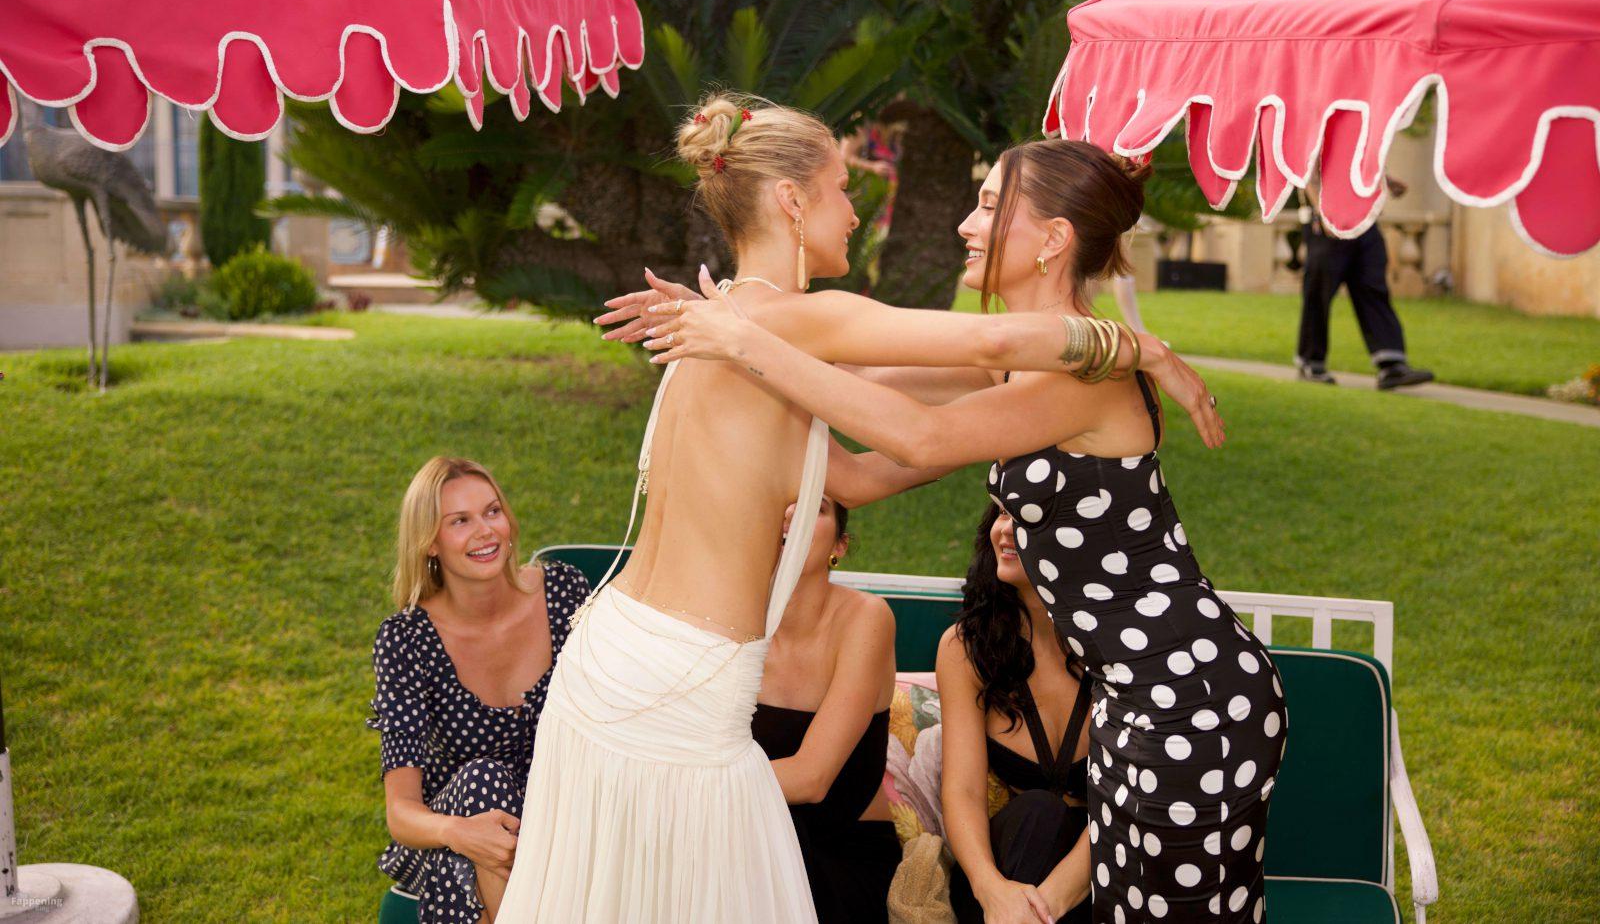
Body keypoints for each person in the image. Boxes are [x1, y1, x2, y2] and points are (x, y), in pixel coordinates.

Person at [503, 95, 1211, 924]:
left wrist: (983, 428)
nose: (856, 209)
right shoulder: (776, 324)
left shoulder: (729, 329)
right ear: (792, 201)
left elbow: (859, 471)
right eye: (843, 188)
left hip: (612, 655)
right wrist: (1140, 345)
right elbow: (986, 345)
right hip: (684, 681)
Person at [639, 135, 1286, 922]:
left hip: (1190, 693)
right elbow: (851, 412)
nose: (965, 225)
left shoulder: (1089, 373)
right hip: (1138, 693)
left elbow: (921, 437)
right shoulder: (1016, 367)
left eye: (988, 205)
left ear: (1053, 238)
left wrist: (745, 339)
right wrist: (728, 322)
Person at [366, 457, 591, 924]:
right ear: (430, 541)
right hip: (456, 829)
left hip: (561, 813)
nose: (485, 531)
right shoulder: (407, 640)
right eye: (460, 521)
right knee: (482, 785)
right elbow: (401, 813)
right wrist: (460, 832)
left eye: (492, 511)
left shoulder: (563, 593)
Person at [941, 502, 1092, 924]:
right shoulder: (967, 648)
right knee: (1039, 812)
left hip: (1099, 867)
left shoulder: (1121, 649)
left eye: (1027, 516)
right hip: (1003, 873)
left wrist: (1048, 902)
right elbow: (963, 792)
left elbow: (1128, 802)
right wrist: (992, 890)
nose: (1005, 530)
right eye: (1002, 514)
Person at [752, 496, 900, 924]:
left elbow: (811, 779)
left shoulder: (866, 618)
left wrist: (688, 785)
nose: (791, 515)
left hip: (840, 854)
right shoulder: (732, 621)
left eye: (815, 507)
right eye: (783, 504)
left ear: (840, 545)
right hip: (749, 834)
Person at [1295, 170, 1434, 389]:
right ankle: (1311, 362)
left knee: (1373, 288)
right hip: (1329, 220)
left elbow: (1360, 158)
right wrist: (1324, 215)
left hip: (1364, 220)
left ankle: (1391, 364)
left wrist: (1386, 179)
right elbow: (1309, 172)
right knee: (1319, 294)